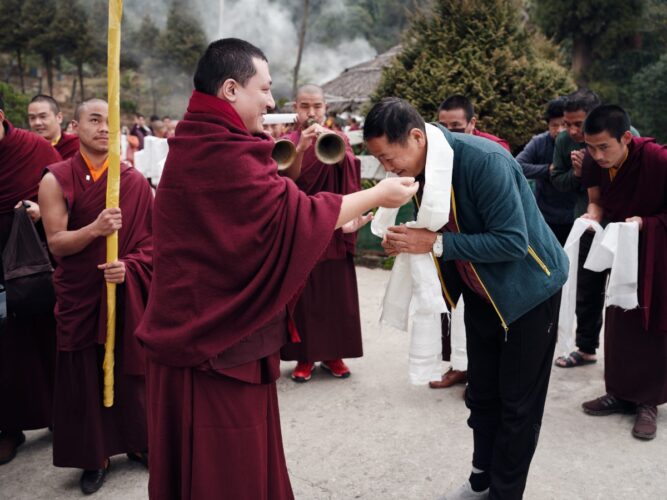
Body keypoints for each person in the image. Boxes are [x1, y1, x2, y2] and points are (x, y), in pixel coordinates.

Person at [135, 39, 417, 500]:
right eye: (264, 89)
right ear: (230, 89)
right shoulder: (220, 151)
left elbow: (272, 215)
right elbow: (293, 215)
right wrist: (380, 194)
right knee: (227, 469)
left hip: (205, 324)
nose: (271, 101)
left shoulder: (200, 139)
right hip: (216, 343)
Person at [365, 98, 567, 500]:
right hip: (480, 292)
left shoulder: (483, 161)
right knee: (482, 396)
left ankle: (504, 493)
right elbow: (434, 229)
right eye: (380, 161)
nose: (388, 169)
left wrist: (434, 243)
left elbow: (512, 241)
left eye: (389, 158)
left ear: (417, 137)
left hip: (528, 290)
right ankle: (480, 481)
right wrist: (407, 242)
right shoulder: (421, 165)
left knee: (517, 407)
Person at [38, 99, 154, 494]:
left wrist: (131, 267)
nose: (104, 128)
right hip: (80, 295)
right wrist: (95, 229)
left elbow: (154, 246)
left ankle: (138, 442)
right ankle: (96, 454)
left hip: (125, 293)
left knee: (130, 370)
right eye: (94, 120)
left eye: (110, 121)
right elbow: (56, 243)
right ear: (75, 125)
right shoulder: (55, 178)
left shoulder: (133, 181)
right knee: (84, 375)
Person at [579, 105, 667, 440]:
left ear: (626, 138)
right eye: (590, 147)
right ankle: (619, 391)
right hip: (620, 246)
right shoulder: (592, 162)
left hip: (656, 249)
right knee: (618, 316)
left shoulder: (657, 160)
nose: (596, 155)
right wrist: (591, 216)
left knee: (649, 318)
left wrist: (646, 223)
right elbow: (597, 201)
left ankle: (648, 402)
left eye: (604, 147)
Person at [279, 84, 363, 382]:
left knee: (334, 294)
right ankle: (304, 357)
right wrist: (300, 148)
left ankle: (333, 355)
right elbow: (285, 183)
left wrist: (341, 155)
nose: (311, 112)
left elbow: (350, 174)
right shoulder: (287, 142)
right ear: (295, 107)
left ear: (326, 108)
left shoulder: (338, 139)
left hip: (332, 227)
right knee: (302, 297)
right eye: (305, 106)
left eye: (316, 106)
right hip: (301, 227)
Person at [431, 94, 512, 390]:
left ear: (473, 123)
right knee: (452, 305)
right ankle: (459, 366)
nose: (449, 134)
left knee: (487, 315)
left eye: (457, 127)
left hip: (483, 244)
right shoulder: (436, 152)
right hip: (448, 240)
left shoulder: (493, 151)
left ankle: (483, 373)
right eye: (443, 127)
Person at [0, 96, 62, 465]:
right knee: (6, 352)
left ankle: (59, 413)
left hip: (35, 264)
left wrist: (43, 209)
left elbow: (65, 194)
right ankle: (9, 427)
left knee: (48, 337)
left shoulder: (32, 149)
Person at [550, 88, 608, 368]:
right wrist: (576, 174)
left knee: (626, 289)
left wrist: (594, 167)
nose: (570, 130)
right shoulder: (563, 141)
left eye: (578, 124)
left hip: (622, 224)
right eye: (566, 123)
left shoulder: (621, 133)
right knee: (587, 289)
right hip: (585, 222)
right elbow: (557, 181)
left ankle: (631, 358)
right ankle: (586, 348)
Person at [516, 98, 574, 245]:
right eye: (554, 125)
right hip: (545, 215)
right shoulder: (539, 142)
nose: (559, 130)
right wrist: (548, 169)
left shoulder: (579, 141)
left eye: (563, 125)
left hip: (575, 214)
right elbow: (517, 165)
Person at [438, 95, 511, 152]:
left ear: (472, 123)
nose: (447, 132)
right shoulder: (435, 144)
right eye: (443, 126)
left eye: (455, 125)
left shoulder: (496, 148)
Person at [28, 94, 80, 159]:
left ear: (59, 117)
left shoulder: (75, 145)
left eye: (43, 116)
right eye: (32, 118)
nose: (37, 123)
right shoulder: (26, 148)